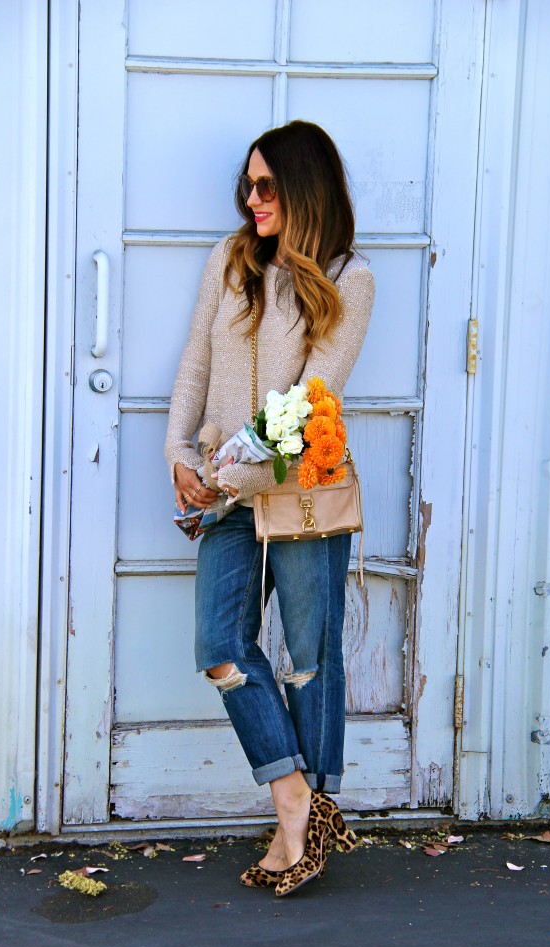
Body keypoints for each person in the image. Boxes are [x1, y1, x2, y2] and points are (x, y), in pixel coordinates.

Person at [164, 120, 375, 896]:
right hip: (221, 482)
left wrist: (223, 478)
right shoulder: (231, 260)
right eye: (246, 185)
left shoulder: (348, 278)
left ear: (304, 188)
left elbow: (311, 399)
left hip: (303, 493)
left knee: (310, 657)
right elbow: (194, 364)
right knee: (222, 647)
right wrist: (180, 457)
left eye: (266, 186)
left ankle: (301, 826)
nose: (252, 200)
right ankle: (297, 801)